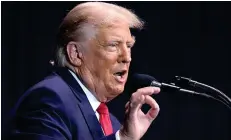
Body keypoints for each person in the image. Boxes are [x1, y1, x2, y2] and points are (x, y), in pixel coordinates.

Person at [10, 2, 161, 140]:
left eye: (128, 46)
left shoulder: (112, 124)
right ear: (76, 53)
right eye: (113, 45)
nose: (127, 58)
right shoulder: (48, 100)